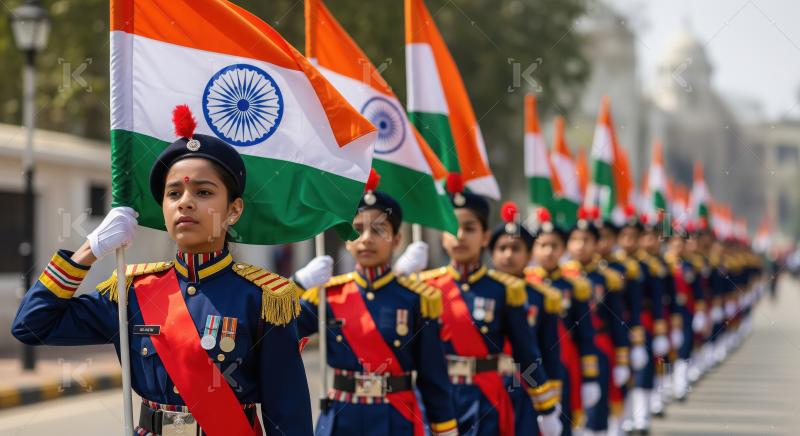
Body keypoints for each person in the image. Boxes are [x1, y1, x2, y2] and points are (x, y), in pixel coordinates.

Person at [11, 105, 312, 435]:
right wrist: (89, 250)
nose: (185, 202)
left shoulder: (263, 297)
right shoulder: (132, 291)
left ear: (234, 210)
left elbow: (287, 413)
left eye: (203, 192)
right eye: (174, 193)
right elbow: (31, 325)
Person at [295, 170, 458, 436]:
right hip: (340, 419)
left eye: (379, 229)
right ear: (347, 241)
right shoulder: (326, 295)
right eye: (357, 230)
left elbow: (433, 376)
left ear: (396, 240)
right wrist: (297, 284)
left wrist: (446, 430)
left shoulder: (417, 299)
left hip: (395, 419)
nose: (367, 239)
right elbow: (279, 335)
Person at [414, 174, 550, 436]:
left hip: (486, 398)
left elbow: (525, 353)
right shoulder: (423, 288)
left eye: (470, 228)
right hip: (437, 396)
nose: (460, 235)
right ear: (442, 235)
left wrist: (546, 403)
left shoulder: (505, 290)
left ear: (486, 236)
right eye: (452, 227)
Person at [488, 202, 562, 436]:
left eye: (516, 248)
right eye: (502, 248)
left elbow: (549, 351)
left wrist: (550, 400)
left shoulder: (541, 297)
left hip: (528, 385)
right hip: (486, 385)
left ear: (529, 254)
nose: (508, 255)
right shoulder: (480, 293)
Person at [525, 208, 600, 436]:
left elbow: (585, 334)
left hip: (566, 362)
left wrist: (590, 376)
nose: (548, 251)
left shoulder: (574, 286)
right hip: (529, 363)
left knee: (562, 418)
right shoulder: (522, 287)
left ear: (563, 249)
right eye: (542, 245)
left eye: (554, 246)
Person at [563, 206, 629, 435]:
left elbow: (617, 320)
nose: (580, 246)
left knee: (597, 405)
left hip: (599, 345)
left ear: (596, 243)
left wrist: (622, 357)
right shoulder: (560, 278)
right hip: (566, 348)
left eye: (587, 240)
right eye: (575, 240)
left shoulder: (606, 278)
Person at [596, 210, 649, 435]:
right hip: (585, 339)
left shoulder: (623, 270)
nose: (601, 243)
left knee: (620, 385)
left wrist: (634, 344)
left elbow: (631, 309)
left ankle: (623, 422)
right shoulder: (573, 273)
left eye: (606, 237)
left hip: (616, 332)